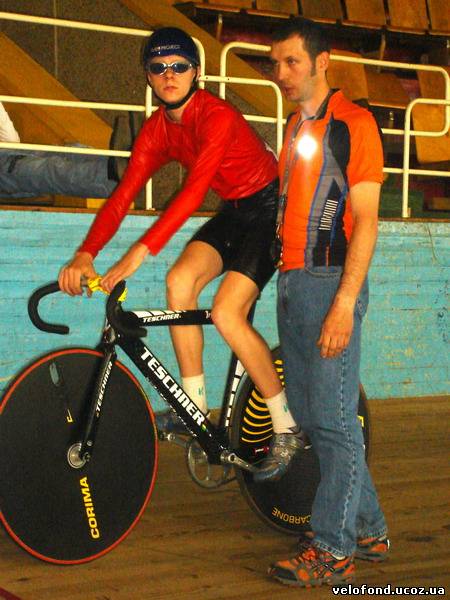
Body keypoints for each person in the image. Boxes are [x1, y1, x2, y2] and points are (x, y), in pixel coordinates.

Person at [58, 27, 306, 481]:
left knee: (227, 313)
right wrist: (85, 253)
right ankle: (195, 409)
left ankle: (287, 427)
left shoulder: (217, 116)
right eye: (158, 67)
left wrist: (138, 253)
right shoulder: (157, 130)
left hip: (271, 211)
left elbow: (193, 193)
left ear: (196, 72)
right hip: (235, 212)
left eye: (179, 66)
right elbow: (123, 195)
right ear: (148, 76)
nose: (169, 75)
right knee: (178, 282)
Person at [267, 17, 389, 587]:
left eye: (291, 61)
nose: (281, 73)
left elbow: (366, 221)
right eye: (275, 62)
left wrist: (343, 304)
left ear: (322, 62)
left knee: (336, 422)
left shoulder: (354, 124)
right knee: (315, 417)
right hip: (293, 281)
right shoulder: (295, 125)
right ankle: (369, 528)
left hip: (329, 282)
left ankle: (334, 549)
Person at [0, 101, 128, 200]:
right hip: (7, 166)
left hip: (12, 154)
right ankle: (115, 180)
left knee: (70, 153)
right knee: (52, 171)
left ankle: (122, 163)